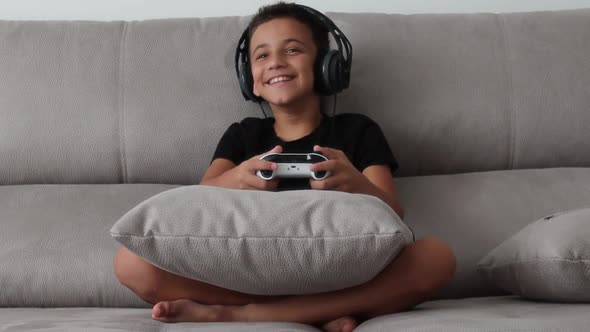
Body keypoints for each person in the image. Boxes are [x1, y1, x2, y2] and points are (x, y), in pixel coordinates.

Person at [113, 2, 456, 331]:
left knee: (437, 257)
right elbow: (198, 203)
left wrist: (356, 184)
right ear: (251, 79)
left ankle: (246, 315)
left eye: (292, 50)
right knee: (130, 263)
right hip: (249, 273)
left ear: (327, 66)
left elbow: (394, 215)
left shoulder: (358, 130)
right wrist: (235, 179)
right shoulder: (243, 135)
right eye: (262, 55)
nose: (276, 62)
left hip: (343, 272)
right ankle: (315, 311)